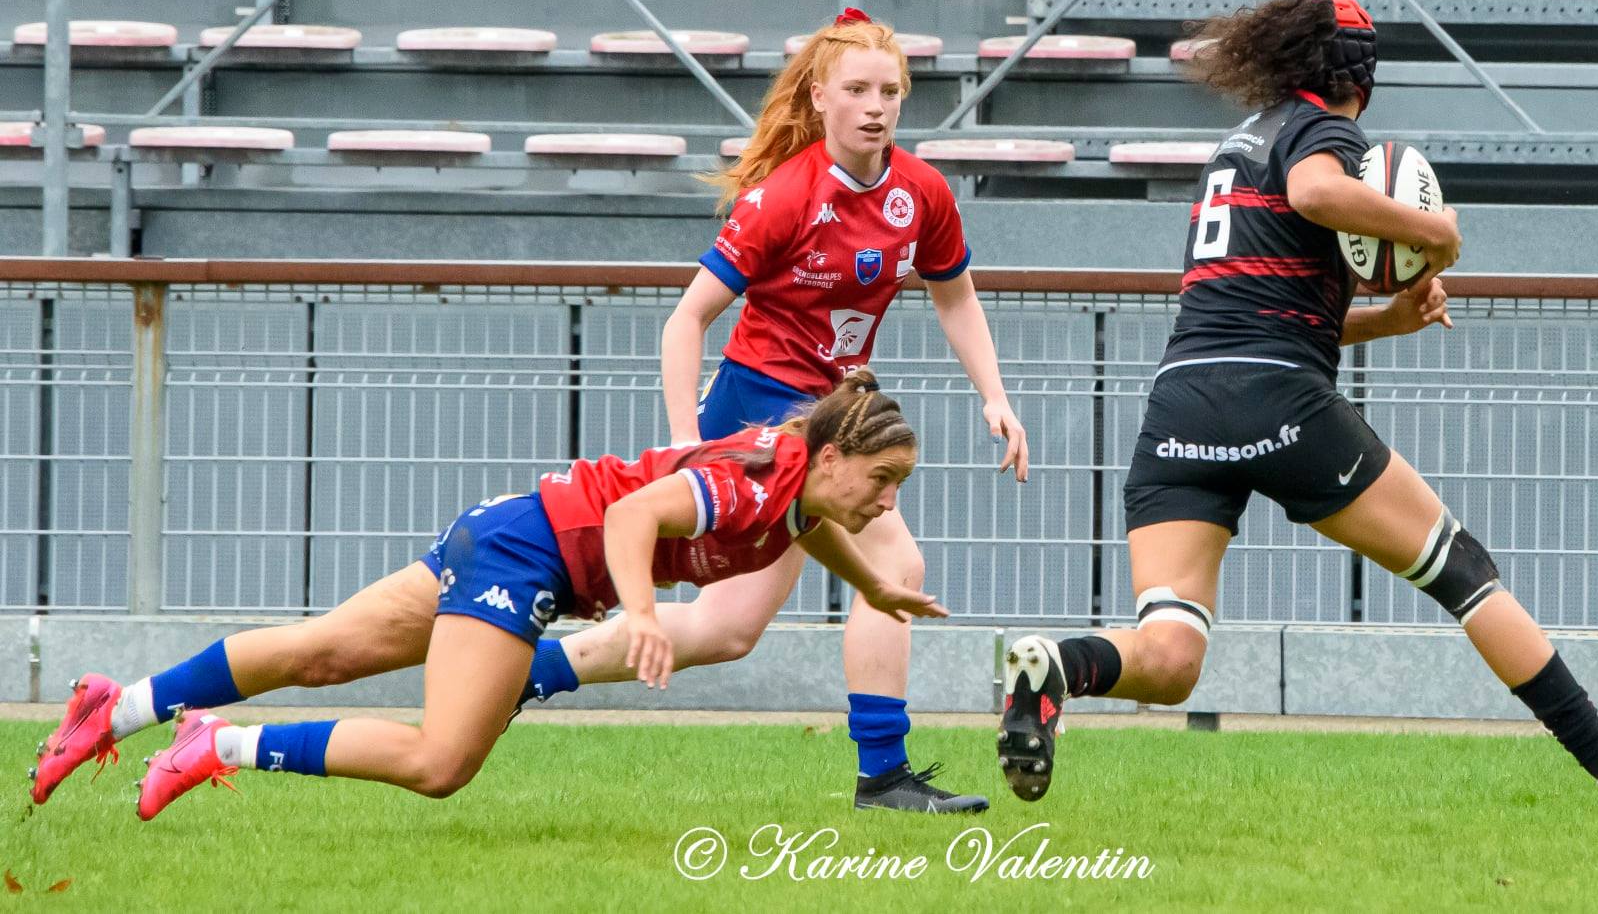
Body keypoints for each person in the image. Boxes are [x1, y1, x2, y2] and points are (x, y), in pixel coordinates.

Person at [993, 0, 1598, 823]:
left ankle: (1057, 667)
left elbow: (1273, 312)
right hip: (1277, 399)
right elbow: (1320, 196)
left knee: (1172, 651)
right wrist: (1436, 235)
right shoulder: (1324, 133)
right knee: (1462, 569)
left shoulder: (1235, 145)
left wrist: (1390, 320)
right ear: (1359, 72)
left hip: (1183, 402)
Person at [514, 8, 1027, 813]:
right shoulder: (785, 196)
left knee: (725, 631)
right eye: (856, 89)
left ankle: (529, 672)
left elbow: (956, 297)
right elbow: (686, 320)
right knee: (894, 569)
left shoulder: (920, 191)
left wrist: (995, 397)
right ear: (819, 96)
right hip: (759, 421)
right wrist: (689, 441)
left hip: (833, 420)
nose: (876, 105)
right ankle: (883, 777)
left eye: (890, 90)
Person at [31, 371, 948, 821]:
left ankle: (118, 709)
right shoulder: (753, 480)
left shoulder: (795, 489)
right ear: (831, 456)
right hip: (529, 555)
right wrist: (637, 613)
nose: (887, 500)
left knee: (324, 651)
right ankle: (218, 742)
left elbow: (813, 529)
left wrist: (878, 587)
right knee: (442, 763)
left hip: (514, 527)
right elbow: (632, 517)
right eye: (883, 479)